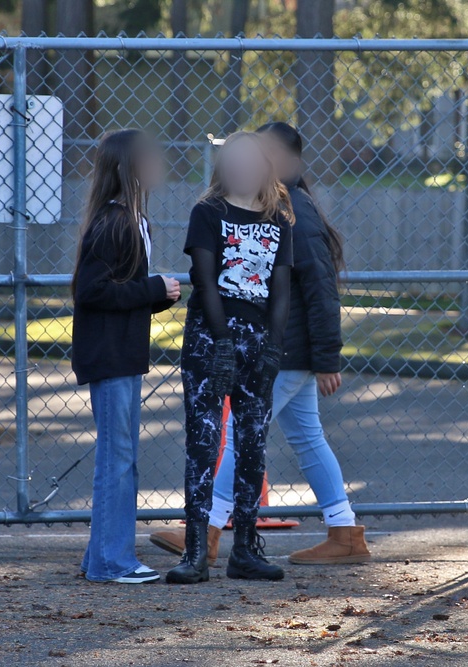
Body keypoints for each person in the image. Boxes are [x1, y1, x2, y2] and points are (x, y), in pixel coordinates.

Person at [150, 122, 370, 566]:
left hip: (284, 348)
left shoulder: (293, 212)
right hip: (285, 346)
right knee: (307, 437)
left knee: (240, 438)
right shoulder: (273, 206)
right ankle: (345, 531)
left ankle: (208, 531)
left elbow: (321, 289)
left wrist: (327, 358)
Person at [166, 131, 294, 585]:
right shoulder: (209, 213)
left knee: (252, 443)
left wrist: (273, 345)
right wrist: (220, 340)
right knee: (203, 441)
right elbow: (204, 279)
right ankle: (196, 551)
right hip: (210, 337)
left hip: (257, 339)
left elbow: (280, 286)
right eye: (232, 159)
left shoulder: (279, 219)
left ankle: (244, 549)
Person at [71, 128, 181, 584]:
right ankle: (113, 562)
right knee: (118, 460)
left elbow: (120, 291)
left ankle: (100, 558)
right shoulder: (114, 221)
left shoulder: (135, 220)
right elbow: (91, 290)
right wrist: (152, 288)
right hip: (110, 357)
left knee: (123, 457)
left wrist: (155, 296)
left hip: (124, 355)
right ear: (129, 168)